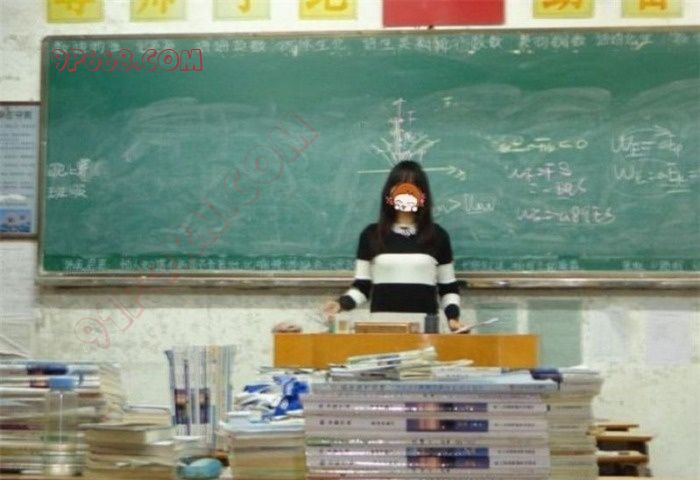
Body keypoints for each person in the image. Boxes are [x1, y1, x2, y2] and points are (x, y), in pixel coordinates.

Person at [323, 160, 464, 332]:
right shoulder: (371, 235)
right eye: (400, 187)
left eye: (412, 188)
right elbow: (362, 287)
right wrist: (340, 304)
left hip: (425, 327)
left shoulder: (437, 235)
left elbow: (448, 288)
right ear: (389, 193)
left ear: (422, 195)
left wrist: (453, 318)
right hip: (381, 327)